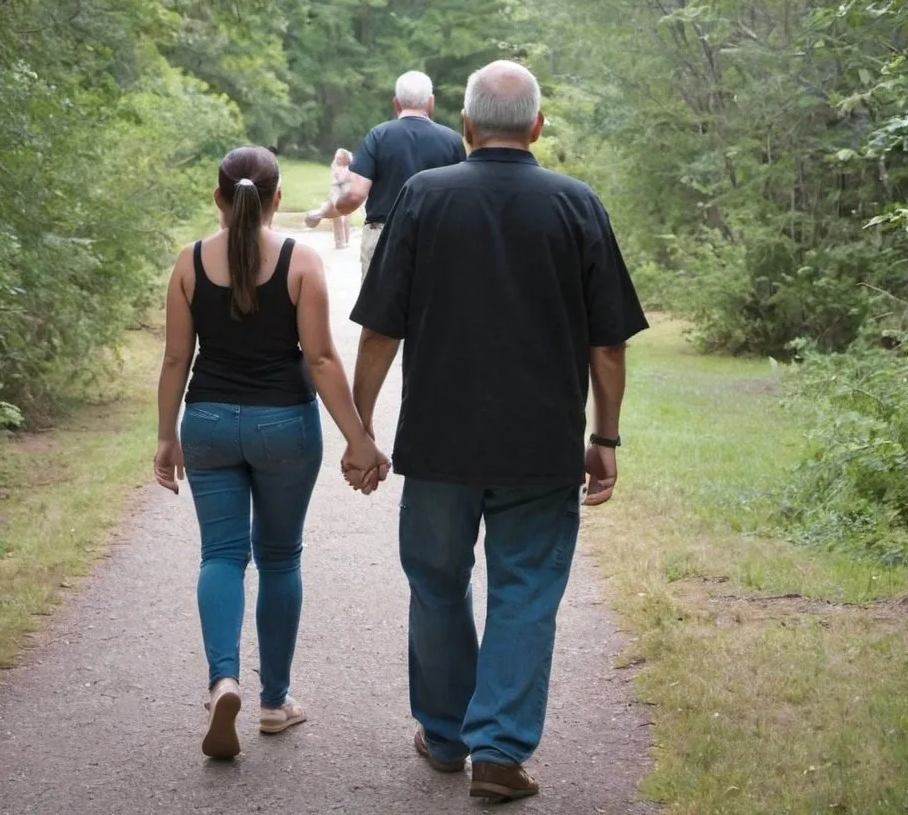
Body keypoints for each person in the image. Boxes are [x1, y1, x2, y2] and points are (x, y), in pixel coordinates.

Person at [344, 61, 648, 800]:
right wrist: (604, 439)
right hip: (541, 449)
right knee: (525, 592)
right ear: (537, 127)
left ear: (469, 129)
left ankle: (446, 736)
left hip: (440, 445)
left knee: (438, 584)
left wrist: (361, 429)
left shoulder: (422, 198)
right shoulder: (578, 204)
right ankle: (501, 752)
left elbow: (380, 331)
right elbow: (607, 346)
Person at [153, 145, 389, 760]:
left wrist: (165, 435)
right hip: (283, 425)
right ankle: (274, 702)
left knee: (222, 554)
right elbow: (319, 358)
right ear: (277, 199)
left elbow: (177, 358)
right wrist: (358, 438)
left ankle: (223, 680)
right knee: (280, 558)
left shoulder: (188, 263)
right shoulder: (299, 261)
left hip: (205, 422)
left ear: (218, 198)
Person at [304, 71, 466, 278]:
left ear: (396, 103)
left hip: (385, 237)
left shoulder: (378, 136)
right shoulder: (452, 141)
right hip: (436, 239)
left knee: (380, 309)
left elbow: (353, 195)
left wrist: (323, 212)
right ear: (430, 102)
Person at [328, 148, 353, 249]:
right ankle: (338, 241)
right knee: (336, 218)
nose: (336, 159)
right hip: (335, 194)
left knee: (345, 219)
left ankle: (345, 240)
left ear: (345, 159)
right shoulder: (335, 167)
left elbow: (341, 179)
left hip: (345, 194)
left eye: (339, 158)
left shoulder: (348, 169)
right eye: (336, 157)